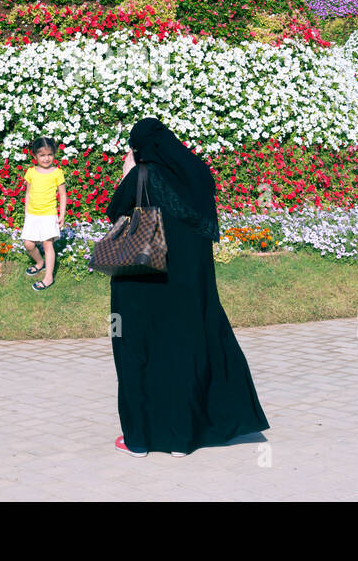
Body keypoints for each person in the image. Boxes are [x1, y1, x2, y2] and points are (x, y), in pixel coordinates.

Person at [105, 117, 270, 457]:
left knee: (139, 352)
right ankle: (182, 437)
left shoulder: (141, 175)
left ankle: (139, 439)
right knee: (184, 349)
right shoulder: (196, 174)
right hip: (189, 286)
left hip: (142, 282)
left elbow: (116, 213)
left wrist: (128, 173)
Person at [21, 137, 66, 291]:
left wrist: (62, 215)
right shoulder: (31, 172)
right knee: (28, 243)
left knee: (48, 244)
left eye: (50, 154)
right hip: (33, 215)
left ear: (54, 154)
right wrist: (27, 212)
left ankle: (49, 277)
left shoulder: (57, 173)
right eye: (42, 155)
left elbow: (63, 195)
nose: (46, 158)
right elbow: (28, 193)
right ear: (35, 156)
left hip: (48, 215)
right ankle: (40, 263)